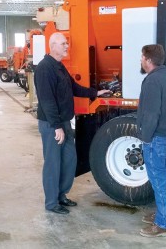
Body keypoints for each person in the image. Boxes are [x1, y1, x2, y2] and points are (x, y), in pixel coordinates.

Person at [34, 32, 110, 215]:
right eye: (63, 44)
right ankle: (52, 202)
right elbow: (47, 100)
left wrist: (95, 93)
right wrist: (56, 126)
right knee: (53, 163)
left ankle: (61, 195)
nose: (66, 46)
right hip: (53, 125)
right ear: (52, 46)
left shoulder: (59, 66)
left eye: (66, 43)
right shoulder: (44, 68)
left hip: (65, 122)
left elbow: (74, 88)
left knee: (69, 160)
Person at [137, 44, 166, 237]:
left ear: (148, 60)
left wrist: (145, 138)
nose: (140, 60)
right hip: (165, 137)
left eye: (141, 57)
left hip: (154, 139)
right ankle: (161, 215)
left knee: (159, 180)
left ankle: (163, 224)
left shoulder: (152, 81)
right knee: (162, 178)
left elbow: (152, 114)